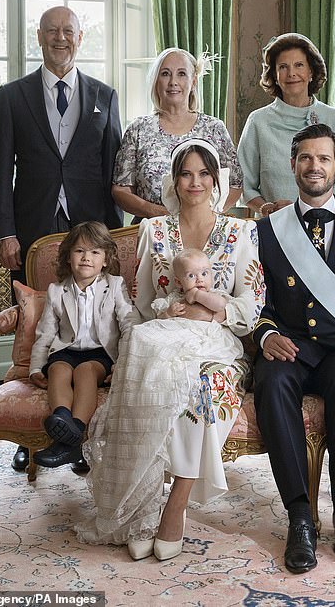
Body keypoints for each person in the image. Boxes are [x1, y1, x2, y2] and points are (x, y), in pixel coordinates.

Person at [75, 138, 264, 562]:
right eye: (185, 173)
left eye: (203, 173)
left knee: (202, 390)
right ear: (173, 181)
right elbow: (143, 306)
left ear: (216, 180)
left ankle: (174, 506)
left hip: (219, 350)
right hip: (164, 341)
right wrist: (173, 312)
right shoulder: (153, 230)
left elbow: (252, 308)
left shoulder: (241, 231)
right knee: (157, 382)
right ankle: (140, 507)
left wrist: (213, 313)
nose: (194, 182)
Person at [0, 5, 123, 474]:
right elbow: (0, 169)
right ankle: (34, 434)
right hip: (31, 229)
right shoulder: (12, 96)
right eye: (52, 31)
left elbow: (112, 173)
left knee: (88, 334)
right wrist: (5, 230)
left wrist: (115, 243)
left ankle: (77, 436)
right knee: (34, 331)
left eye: (68, 31)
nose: (60, 38)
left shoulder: (105, 96)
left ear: (80, 38)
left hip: (90, 230)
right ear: (39, 37)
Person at [253, 123, 335, 573]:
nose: (314, 166)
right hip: (288, 346)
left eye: (323, 158)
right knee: (270, 383)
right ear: (292, 165)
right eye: (305, 158)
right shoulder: (267, 231)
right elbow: (256, 299)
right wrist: (267, 334)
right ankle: (299, 516)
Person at [28, 222, 133, 469]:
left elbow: (130, 324)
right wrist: (35, 368)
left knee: (85, 371)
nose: (86, 258)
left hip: (100, 353)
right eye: (79, 251)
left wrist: (123, 363)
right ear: (68, 257)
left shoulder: (115, 285)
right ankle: (63, 420)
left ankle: (71, 433)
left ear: (106, 259)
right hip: (66, 350)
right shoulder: (57, 290)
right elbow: (45, 333)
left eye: (95, 252)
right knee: (58, 370)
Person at [111, 48, 242, 221]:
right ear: (156, 81)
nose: (173, 81)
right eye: (165, 74)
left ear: (193, 81)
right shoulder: (138, 129)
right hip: (152, 230)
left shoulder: (214, 128)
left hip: (204, 231)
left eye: (181, 74)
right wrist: (155, 212)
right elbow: (120, 190)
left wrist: (211, 214)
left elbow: (236, 184)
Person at [238, 33, 335, 216]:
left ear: (311, 72)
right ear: (275, 76)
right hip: (273, 226)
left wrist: (313, 215)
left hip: (325, 225)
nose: (291, 73)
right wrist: (268, 209)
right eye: (283, 67)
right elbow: (244, 184)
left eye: (299, 65)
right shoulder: (258, 122)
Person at [153, 248, 230, 319]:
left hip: (206, 332)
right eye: (191, 275)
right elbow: (158, 320)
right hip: (178, 331)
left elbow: (220, 305)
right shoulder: (174, 298)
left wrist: (196, 295)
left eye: (204, 273)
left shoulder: (215, 294)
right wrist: (169, 314)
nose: (200, 279)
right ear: (179, 282)